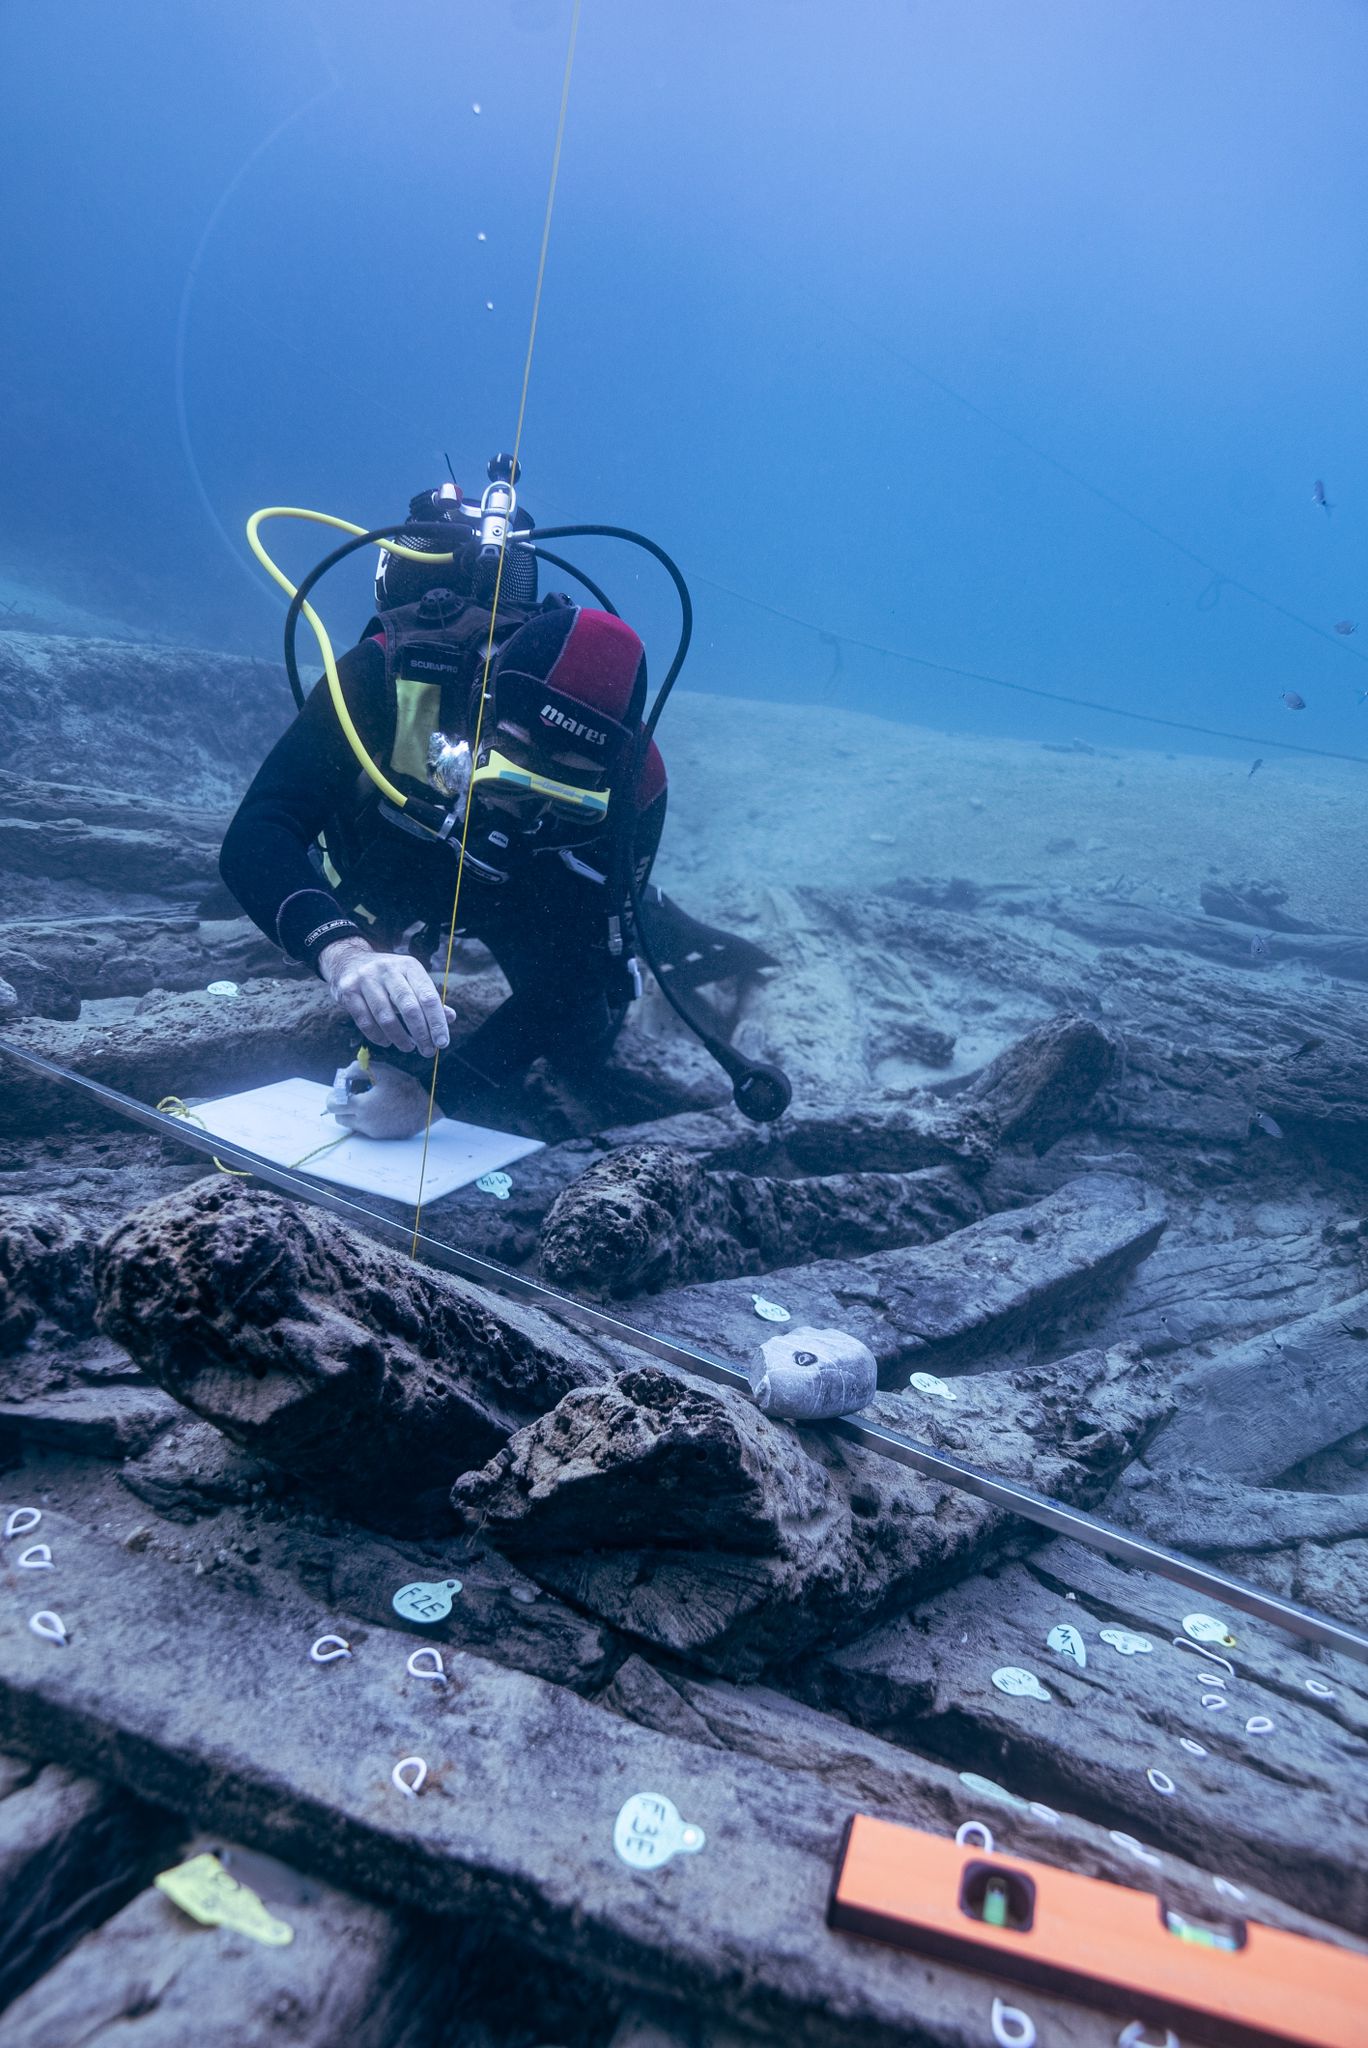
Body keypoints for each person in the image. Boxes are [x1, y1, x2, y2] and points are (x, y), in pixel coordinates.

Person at [220, 490, 667, 1130]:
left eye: (562, 791)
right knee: (363, 1010)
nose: (519, 810)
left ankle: (655, 915)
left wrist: (440, 1096)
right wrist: (343, 952)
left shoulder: (638, 783)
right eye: (510, 772)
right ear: (481, 705)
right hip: (398, 855)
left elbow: (571, 984)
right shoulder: (386, 673)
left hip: (529, 895)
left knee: (582, 1039)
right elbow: (259, 832)